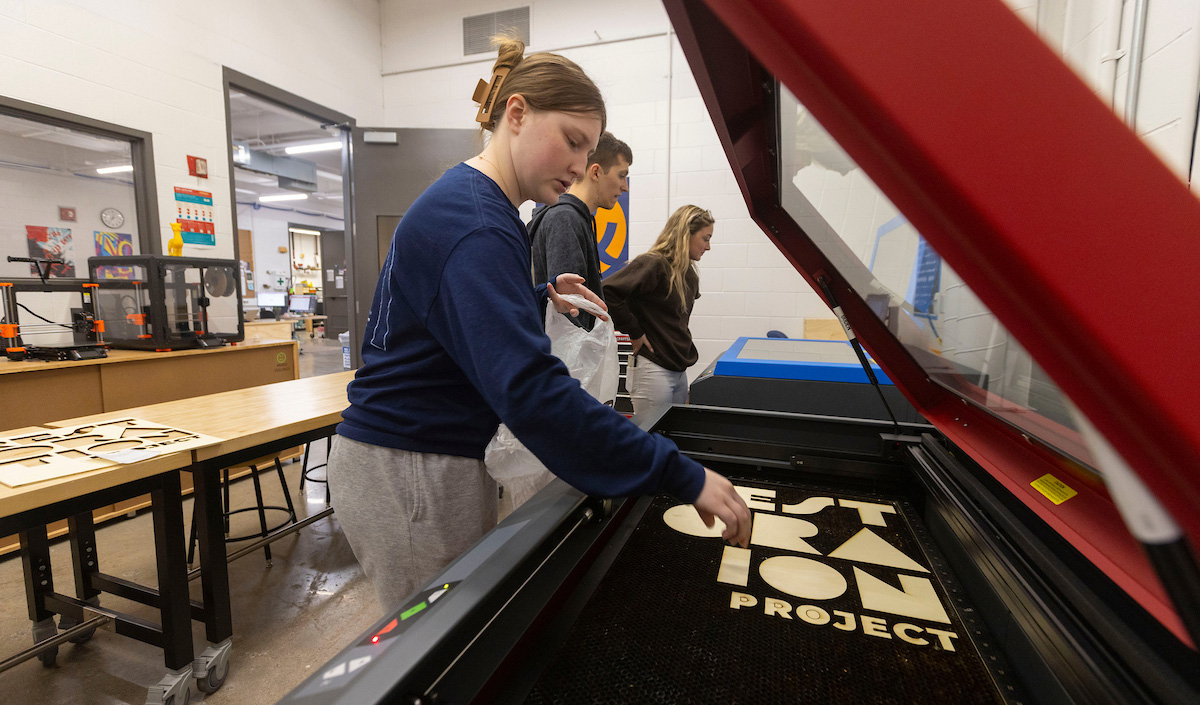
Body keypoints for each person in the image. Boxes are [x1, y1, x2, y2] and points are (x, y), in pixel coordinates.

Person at [328, 38, 750, 614]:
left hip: (425, 457)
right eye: (573, 142)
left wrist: (531, 301)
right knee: (437, 647)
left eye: (589, 149)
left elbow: (439, 326)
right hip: (409, 467)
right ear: (517, 114)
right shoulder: (477, 222)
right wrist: (677, 472)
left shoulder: (479, 208)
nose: (581, 166)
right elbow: (531, 392)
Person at [603, 205, 714, 416]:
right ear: (685, 235)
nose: (708, 247)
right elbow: (608, 291)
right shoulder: (653, 264)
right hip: (653, 368)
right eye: (705, 238)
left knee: (674, 433)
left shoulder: (688, 274)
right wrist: (634, 331)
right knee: (651, 437)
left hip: (678, 368)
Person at [528, 131, 632, 331]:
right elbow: (569, 318)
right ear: (596, 172)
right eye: (621, 176)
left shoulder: (577, 218)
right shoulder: (565, 219)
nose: (624, 187)